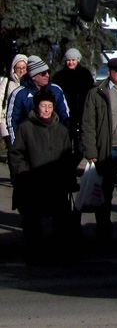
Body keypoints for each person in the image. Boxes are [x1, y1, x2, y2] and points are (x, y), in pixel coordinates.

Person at [8, 88, 78, 262]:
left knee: (61, 221)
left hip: (56, 184)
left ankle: (60, 255)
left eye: (49, 106)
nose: (46, 109)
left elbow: (66, 157)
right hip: (33, 183)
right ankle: (34, 255)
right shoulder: (26, 128)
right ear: (36, 107)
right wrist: (22, 174)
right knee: (32, 222)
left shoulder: (61, 130)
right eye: (43, 105)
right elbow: (16, 154)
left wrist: (68, 180)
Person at [81, 56, 117, 245]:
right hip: (107, 151)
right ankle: (103, 231)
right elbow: (88, 124)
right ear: (110, 72)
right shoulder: (97, 93)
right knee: (104, 193)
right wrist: (91, 153)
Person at [5, 56, 70, 143]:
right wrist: (17, 144)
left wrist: (64, 141)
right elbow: (13, 120)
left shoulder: (56, 90)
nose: (47, 75)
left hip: (53, 142)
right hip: (28, 143)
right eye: (43, 73)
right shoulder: (19, 94)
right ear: (33, 76)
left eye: (48, 72)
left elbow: (65, 117)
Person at [52, 48, 93, 156]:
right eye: (68, 60)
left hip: (81, 116)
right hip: (65, 116)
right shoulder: (59, 76)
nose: (70, 62)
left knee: (79, 150)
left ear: (78, 60)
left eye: (73, 60)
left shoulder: (85, 75)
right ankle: (68, 170)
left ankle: (72, 167)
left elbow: (90, 94)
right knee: (65, 148)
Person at [0, 54, 28, 158]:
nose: (21, 71)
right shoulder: (7, 83)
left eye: (24, 68)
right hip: (6, 123)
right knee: (13, 149)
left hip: (23, 123)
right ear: (13, 69)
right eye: (18, 68)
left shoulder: (29, 84)